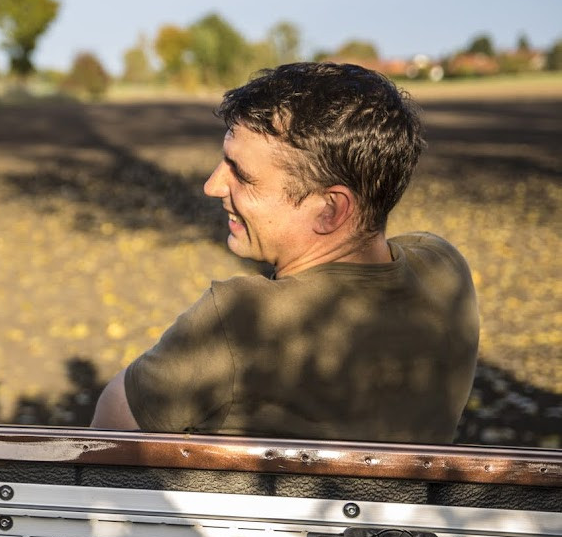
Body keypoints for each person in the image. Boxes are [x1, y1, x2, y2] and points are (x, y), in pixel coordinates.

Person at [91, 62, 478, 443]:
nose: (212, 186)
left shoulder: (241, 321)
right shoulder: (445, 269)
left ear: (329, 209)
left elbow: (106, 441)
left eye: (241, 174)